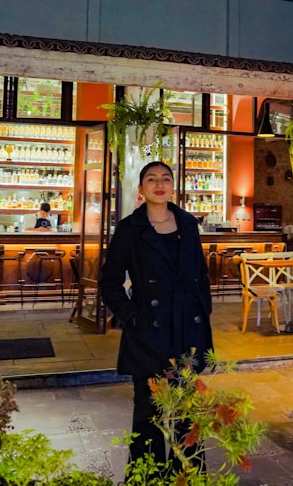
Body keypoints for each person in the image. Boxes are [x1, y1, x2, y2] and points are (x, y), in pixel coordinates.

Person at [100, 161, 213, 472]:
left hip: (187, 331)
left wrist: (203, 313)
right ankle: (147, 478)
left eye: (165, 178)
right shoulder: (130, 228)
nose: (159, 184)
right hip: (148, 332)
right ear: (141, 190)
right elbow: (109, 282)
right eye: (151, 179)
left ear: (173, 186)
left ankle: (188, 477)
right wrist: (132, 317)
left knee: (186, 413)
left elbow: (201, 276)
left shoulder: (189, 225)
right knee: (148, 415)